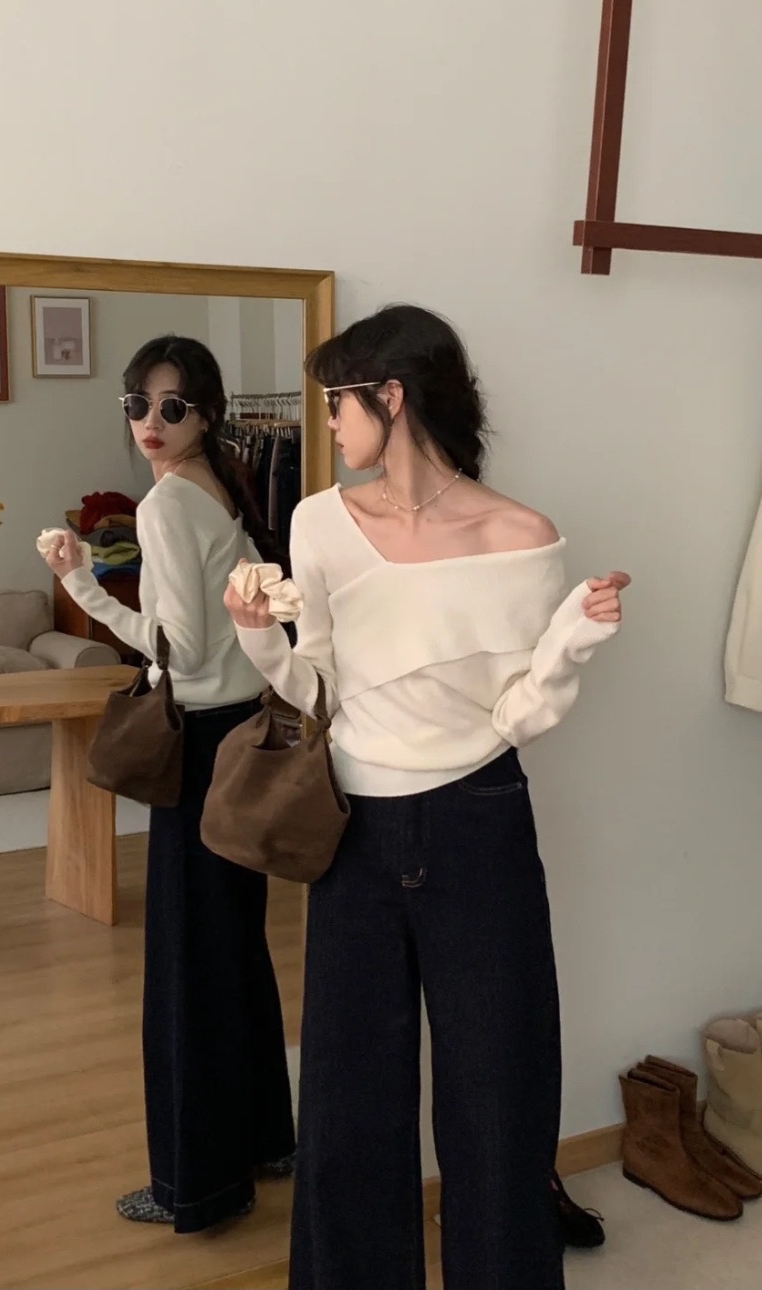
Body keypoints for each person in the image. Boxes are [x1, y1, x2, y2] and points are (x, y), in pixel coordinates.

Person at [224, 304, 629, 1290]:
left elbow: (520, 712)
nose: (329, 424)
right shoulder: (319, 522)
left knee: (500, 1092)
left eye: (337, 402)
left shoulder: (521, 537)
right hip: (353, 832)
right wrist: (257, 634)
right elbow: (315, 689)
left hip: (478, 819)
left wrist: (570, 642)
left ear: (391, 396)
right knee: (348, 1099)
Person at [42, 335, 296, 1233]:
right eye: (138, 405)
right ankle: (265, 1140)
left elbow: (177, 650)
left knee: (188, 971)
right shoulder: (222, 486)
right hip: (240, 737)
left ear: (207, 413)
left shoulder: (167, 504)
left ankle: (199, 1184)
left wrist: (83, 585)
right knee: (233, 952)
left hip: (198, 750)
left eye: (172, 407)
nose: (151, 422)